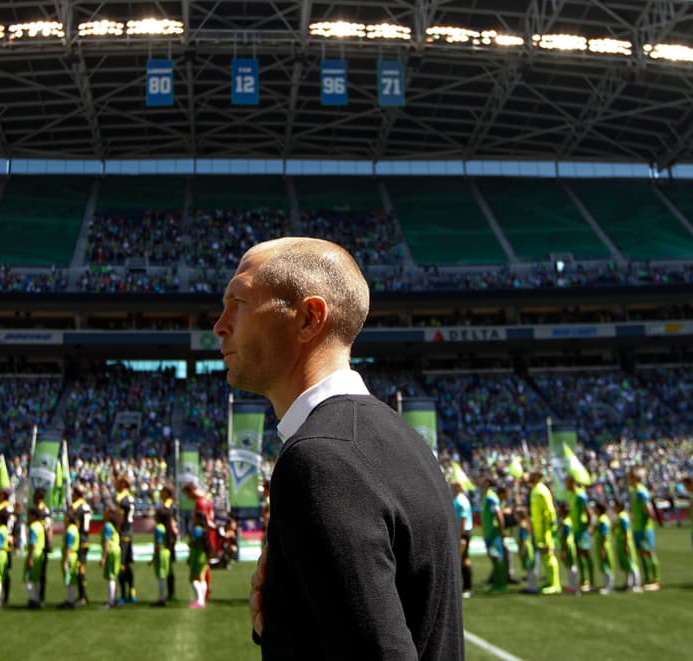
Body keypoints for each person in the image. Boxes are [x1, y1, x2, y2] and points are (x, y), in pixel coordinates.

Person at [216, 237, 462, 659]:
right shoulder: (403, 441)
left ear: (310, 318)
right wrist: (284, 626)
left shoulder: (320, 460)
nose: (219, 324)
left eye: (238, 302)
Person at [528, 471, 562, 594]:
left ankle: (555, 584)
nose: (529, 477)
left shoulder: (542, 491)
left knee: (548, 555)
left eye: (532, 475)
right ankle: (550, 580)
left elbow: (549, 509)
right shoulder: (534, 490)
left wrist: (550, 526)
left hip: (544, 528)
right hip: (538, 528)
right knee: (544, 556)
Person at [629, 468, 660, 590]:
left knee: (649, 552)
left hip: (645, 527)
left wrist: (648, 518)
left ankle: (655, 579)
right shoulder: (633, 491)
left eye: (630, 477)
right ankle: (647, 578)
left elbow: (649, 509)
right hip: (637, 526)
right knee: (641, 553)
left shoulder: (642, 492)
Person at [564, 476, 594, 593]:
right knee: (578, 554)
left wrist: (588, 525)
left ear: (572, 483)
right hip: (574, 528)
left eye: (567, 483)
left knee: (585, 553)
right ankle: (583, 579)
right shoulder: (570, 495)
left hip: (581, 529)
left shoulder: (580, 495)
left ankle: (591, 580)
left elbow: (587, 511)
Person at [480, 477, 508, 593]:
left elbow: (498, 514)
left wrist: (501, 530)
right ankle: (497, 583)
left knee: (497, 558)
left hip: (493, 532)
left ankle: (501, 585)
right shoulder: (487, 496)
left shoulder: (491, 497)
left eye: (483, 482)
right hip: (488, 532)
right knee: (494, 558)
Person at [69, 485, 93, 606]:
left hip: (79, 540)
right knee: (82, 567)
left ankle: (82, 596)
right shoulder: (86, 506)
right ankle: (82, 595)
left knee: (79, 568)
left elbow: (77, 525)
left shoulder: (76, 507)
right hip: (86, 539)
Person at [154, 485, 178, 603]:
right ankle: (171, 593)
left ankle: (169, 593)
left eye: (162, 491)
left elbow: (171, 524)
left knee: (166, 568)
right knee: (168, 567)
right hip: (169, 538)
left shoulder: (168, 507)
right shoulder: (167, 506)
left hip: (167, 540)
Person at [114, 476, 137, 604]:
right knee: (127, 564)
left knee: (121, 564)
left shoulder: (122, 499)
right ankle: (132, 592)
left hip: (123, 533)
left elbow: (120, 517)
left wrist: (116, 529)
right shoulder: (130, 497)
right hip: (130, 532)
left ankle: (123, 594)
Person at [613, 498, 641, 593]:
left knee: (631, 563)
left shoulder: (623, 517)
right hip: (621, 542)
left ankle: (636, 584)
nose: (614, 508)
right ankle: (629, 583)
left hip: (625, 542)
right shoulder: (620, 516)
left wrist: (626, 545)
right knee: (625, 564)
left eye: (615, 506)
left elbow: (625, 531)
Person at [452, 482, 474, 598]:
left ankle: (468, 587)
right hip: (462, 532)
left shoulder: (461, 501)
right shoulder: (459, 499)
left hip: (463, 533)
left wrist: (460, 535)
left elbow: (463, 518)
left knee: (463, 559)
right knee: (463, 558)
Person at [24, 506, 47, 609]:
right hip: (40, 552)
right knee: (37, 578)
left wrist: (30, 557)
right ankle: (37, 598)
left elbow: (32, 543)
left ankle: (33, 599)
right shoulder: (40, 526)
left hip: (34, 553)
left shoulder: (33, 527)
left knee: (27, 578)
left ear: (33, 516)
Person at [590, 500, 614, 595]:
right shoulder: (601, 519)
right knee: (604, 566)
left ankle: (609, 586)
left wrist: (603, 548)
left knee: (606, 565)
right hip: (601, 544)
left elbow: (604, 534)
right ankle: (606, 585)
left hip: (603, 545)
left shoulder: (603, 520)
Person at [60, 506, 81, 608]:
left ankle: (70, 600)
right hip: (73, 555)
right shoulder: (74, 529)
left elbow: (69, 546)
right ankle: (70, 599)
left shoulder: (70, 530)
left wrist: (65, 560)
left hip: (70, 556)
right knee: (71, 579)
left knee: (69, 579)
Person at [101, 505, 121, 608]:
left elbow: (107, 542)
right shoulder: (115, 525)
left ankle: (111, 601)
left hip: (111, 551)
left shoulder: (108, 526)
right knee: (114, 575)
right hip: (117, 550)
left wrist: (103, 557)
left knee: (110, 576)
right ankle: (114, 599)